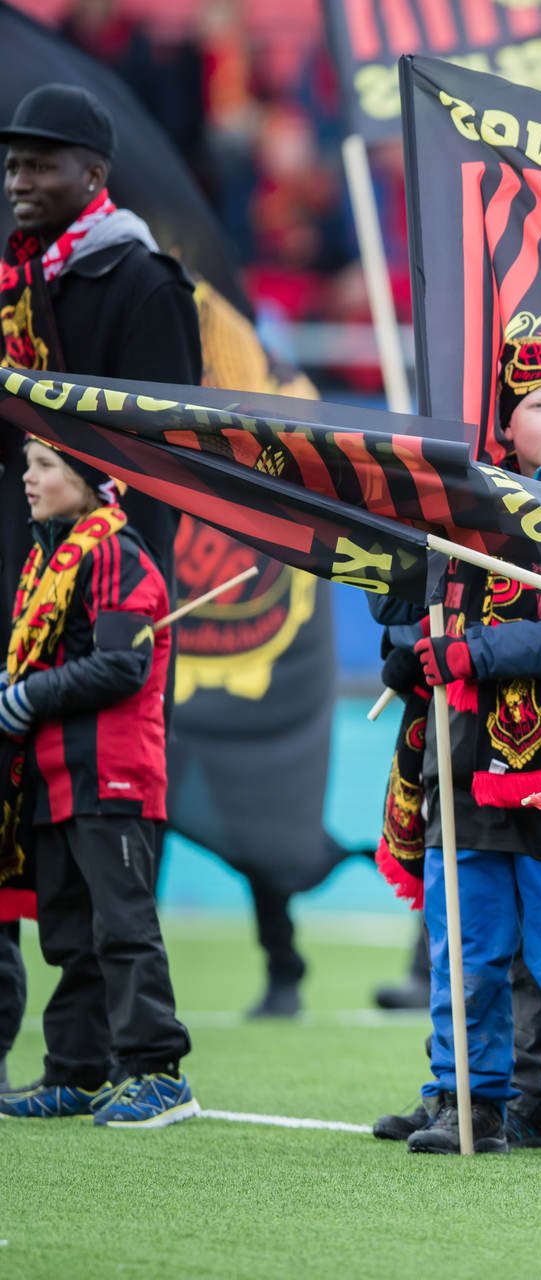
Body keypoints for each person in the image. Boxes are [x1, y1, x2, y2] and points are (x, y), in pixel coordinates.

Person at [384, 337, 541, 1160]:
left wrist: (471, 653)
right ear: (509, 423)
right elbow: (400, 606)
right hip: (461, 767)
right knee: (466, 950)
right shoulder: (460, 515)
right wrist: (410, 638)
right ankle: (468, 1099)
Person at [0, 81, 199, 1086]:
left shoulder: (140, 281)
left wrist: (119, 586)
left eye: (38, 163)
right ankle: (72, 1063)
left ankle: (140, 1059)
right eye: (11, 164)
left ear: (94, 176)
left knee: (102, 863)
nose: (17, 180)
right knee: (48, 861)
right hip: (29, 574)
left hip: (109, 582)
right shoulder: (16, 280)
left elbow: (165, 457)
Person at [0, 439, 191, 1126]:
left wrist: (27, 693)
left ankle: (159, 1073)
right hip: (57, 777)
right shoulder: (49, 558)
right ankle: (75, 1072)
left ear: (85, 480)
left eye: (44, 466)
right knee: (71, 934)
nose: (28, 478)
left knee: (123, 927)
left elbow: (120, 668)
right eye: (28, 464)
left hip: (112, 773)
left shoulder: (115, 552)